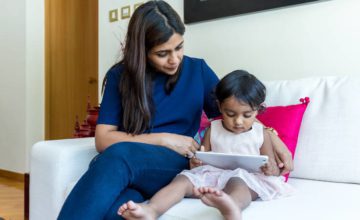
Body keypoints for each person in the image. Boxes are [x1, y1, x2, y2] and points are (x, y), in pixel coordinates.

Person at [58, 1, 293, 219]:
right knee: (116, 211)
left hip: (176, 164)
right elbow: (103, 139)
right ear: (142, 51)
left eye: (179, 47)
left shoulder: (197, 70)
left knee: (116, 157)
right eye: (163, 53)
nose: (175, 59)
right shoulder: (119, 77)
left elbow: (232, 113)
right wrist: (164, 139)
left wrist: (271, 136)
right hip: (134, 167)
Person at [118, 70, 294, 220]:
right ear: (219, 106)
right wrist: (195, 162)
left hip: (248, 178)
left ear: (258, 110)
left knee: (237, 181)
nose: (238, 121)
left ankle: (232, 206)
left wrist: (271, 169)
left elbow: (272, 167)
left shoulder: (261, 133)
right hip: (214, 175)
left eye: (247, 115)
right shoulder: (213, 128)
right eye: (230, 113)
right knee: (182, 180)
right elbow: (202, 156)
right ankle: (152, 209)